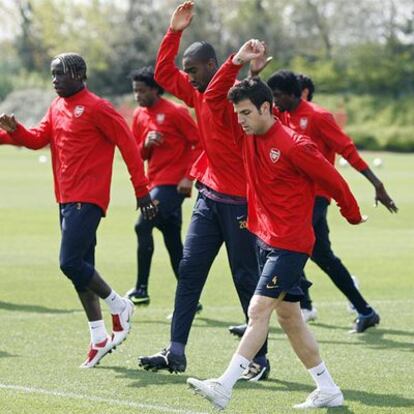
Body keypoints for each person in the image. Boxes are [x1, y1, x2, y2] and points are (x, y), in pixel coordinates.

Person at [187, 39, 365, 410]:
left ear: (268, 108)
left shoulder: (294, 144)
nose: (240, 121)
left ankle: (224, 385)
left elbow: (333, 180)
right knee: (290, 318)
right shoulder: (247, 133)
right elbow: (214, 94)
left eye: (247, 114)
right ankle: (328, 389)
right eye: (237, 115)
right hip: (265, 237)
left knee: (257, 310)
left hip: (291, 242)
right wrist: (237, 60)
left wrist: (350, 212)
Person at [138, 1, 270, 381]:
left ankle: (258, 359)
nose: (188, 78)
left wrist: (242, 62)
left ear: (212, 67)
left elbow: (217, 93)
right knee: (189, 271)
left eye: (194, 71)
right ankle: (175, 350)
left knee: (245, 278)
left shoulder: (230, 97)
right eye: (188, 72)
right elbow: (163, 72)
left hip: (242, 202)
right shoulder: (197, 89)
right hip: (209, 196)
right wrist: (174, 31)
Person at [0, 53, 157, 368]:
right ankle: (98, 336)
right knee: (82, 268)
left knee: (69, 262)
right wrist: (11, 132)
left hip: (89, 197)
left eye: (60, 74)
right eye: (52, 74)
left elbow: (128, 143)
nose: (54, 79)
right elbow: (35, 140)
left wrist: (141, 189)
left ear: (79, 74)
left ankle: (119, 306)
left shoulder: (98, 107)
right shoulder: (57, 107)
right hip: (66, 198)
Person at [265, 69, 397, 331]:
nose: (274, 102)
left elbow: (346, 149)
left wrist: (376, 183)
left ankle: (285, 311)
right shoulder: (282, 115)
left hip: (316, 197)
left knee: (288, 247)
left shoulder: (318, 116)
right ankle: (360, 310)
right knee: (321, 255)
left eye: (278, 96)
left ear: (294, 94)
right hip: (293, 198)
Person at [125, 66, 202, 310]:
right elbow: (136, 155)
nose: (137, 95)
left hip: (172, 186)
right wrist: (146, 143)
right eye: (135, 90)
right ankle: (192, 301)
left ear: (156, 90)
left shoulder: (176, 111)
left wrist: (189, 177)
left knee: (142, 225)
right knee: (173, 242)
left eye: (142, 90)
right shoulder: (139, 115)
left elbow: (200, 144)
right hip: (154, 182)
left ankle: (141, 289)